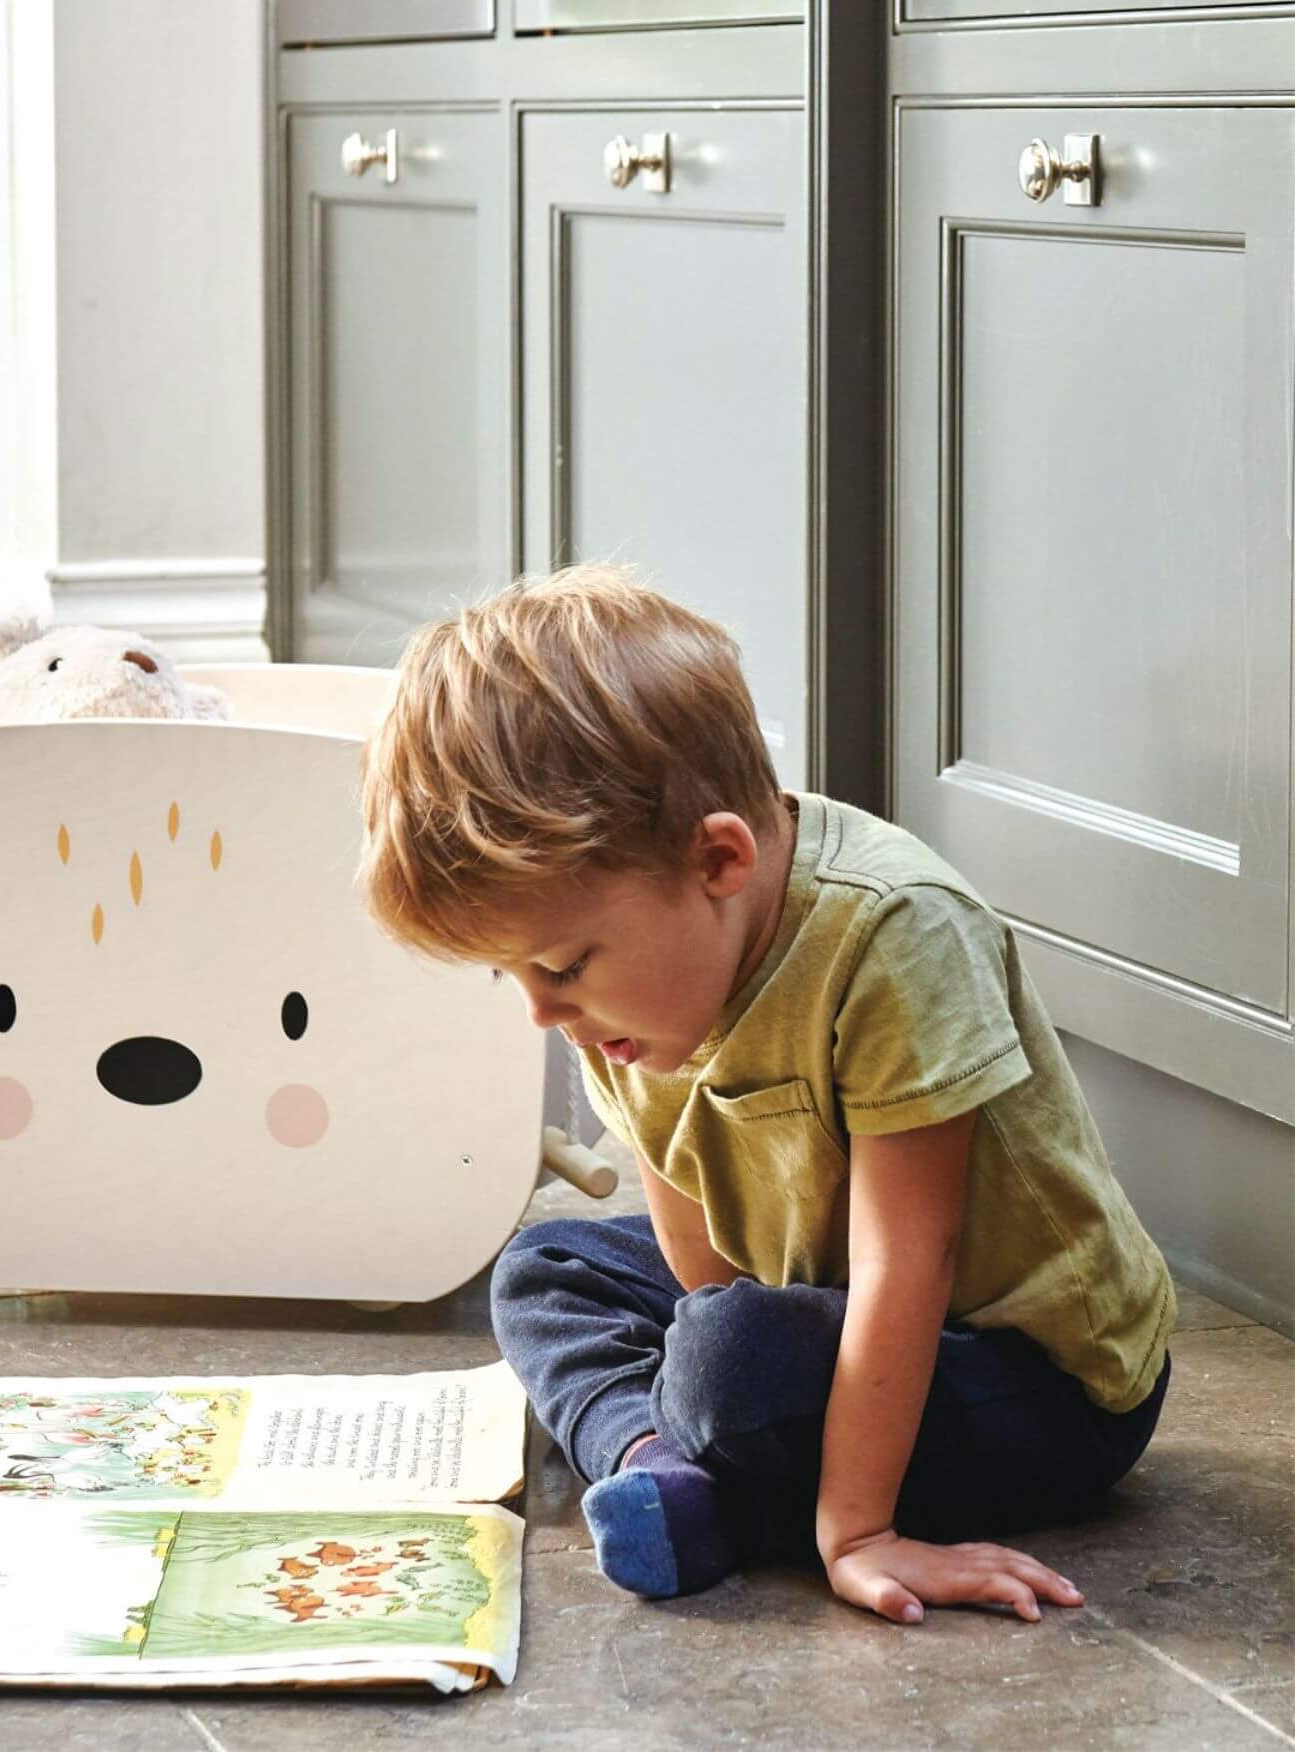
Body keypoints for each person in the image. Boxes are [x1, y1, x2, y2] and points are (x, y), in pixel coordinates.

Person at [355, 565, 1174, 1626]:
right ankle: (660, 1464)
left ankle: (718, 1485)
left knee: (729, 1364)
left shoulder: (894, 934)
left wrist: (860, 1531)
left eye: (556, 966)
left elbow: (903, 1262)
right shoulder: (626, 973)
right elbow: (695, 1226)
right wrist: (724, 1332)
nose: (539, 1014)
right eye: (510, 976)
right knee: (544, 1265)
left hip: (1030, 1374)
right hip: (813, 1299)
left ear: (718, 860)